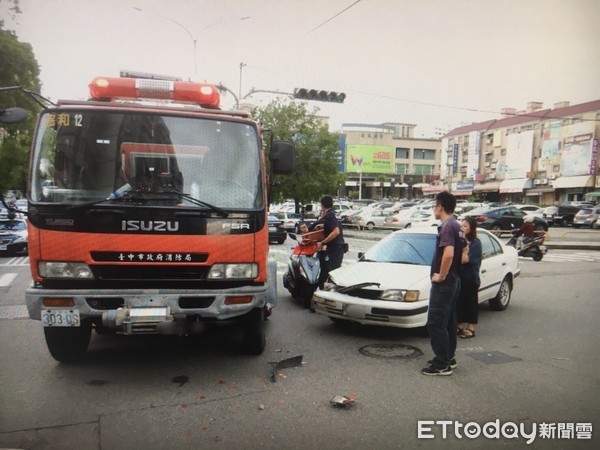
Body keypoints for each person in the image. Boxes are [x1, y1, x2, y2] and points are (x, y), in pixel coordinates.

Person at [422, 191, 465, 376]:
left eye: (434, 206)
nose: (434, 209)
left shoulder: (448, 226)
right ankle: (449, 357)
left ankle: (441, 364)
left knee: (435, 322)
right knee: (448, 322)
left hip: (445, 283)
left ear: (440, 207)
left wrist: (441, 275)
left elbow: (448, 254)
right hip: (455, 280)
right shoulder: (458, 225)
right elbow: (465, 250)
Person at [308, 196, 345, 308]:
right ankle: (327, 300)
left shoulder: (329, 216)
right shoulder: (334, 214)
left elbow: (336, 231)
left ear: (322, 205)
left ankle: (325, 301)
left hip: (333, 249)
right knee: (330, 273)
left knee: (327, 274)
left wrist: (323, 242)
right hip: (338, 248)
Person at [456, 217, 482, 339]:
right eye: (462, 225)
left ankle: (471, 328)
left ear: (472, 229)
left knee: (471, 303)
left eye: (466, 226)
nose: (463, 227)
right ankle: (459, 326)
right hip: (459, 278)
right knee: (459, 303)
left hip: (471, 278)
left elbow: (465, 259)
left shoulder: (476, 243)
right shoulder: (459, 241)